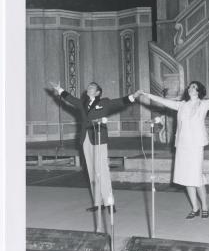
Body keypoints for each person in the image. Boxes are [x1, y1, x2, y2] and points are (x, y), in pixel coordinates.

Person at [137, 81, 209, 219]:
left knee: (196, 177)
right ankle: (195, 208)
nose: (191, 89)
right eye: (190, 86)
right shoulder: (181, 105)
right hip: (183, 145)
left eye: (195, 87)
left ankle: (204, 206)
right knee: (186, 177)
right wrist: (147, 94)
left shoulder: (204, 104)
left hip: (196, 145)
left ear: (199, 91)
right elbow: (163, 101)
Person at [49, 81, 141, 213]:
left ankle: (109, 203)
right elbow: (71, 99)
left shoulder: (104, 102)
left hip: (99, 139)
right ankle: (98, 203)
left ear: (97, 92)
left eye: (92, 87)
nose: (89, 88)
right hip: (85, 139)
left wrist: (134, 96)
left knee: (102, 171)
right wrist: (59, 89)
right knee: (92, 172)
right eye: (89, 86)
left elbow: (120, 102)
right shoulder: (83, 103)